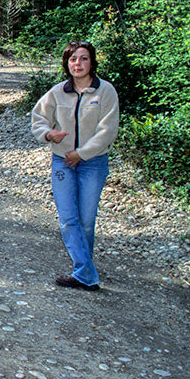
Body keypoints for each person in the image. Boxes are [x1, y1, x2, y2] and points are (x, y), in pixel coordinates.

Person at [31, 41, 119, 292]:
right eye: (72, 59)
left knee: (87, 221)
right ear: (66, 63)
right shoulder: (58, 92)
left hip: (93, 163)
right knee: (69, 218)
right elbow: (38, 118)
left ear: (92, 62)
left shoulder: (106, 91)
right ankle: (86, 273)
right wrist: (48, 134)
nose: (77, 64)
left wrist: (80, 154)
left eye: (83, 59)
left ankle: (84, 269)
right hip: (62, 162)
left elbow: (107, 131)